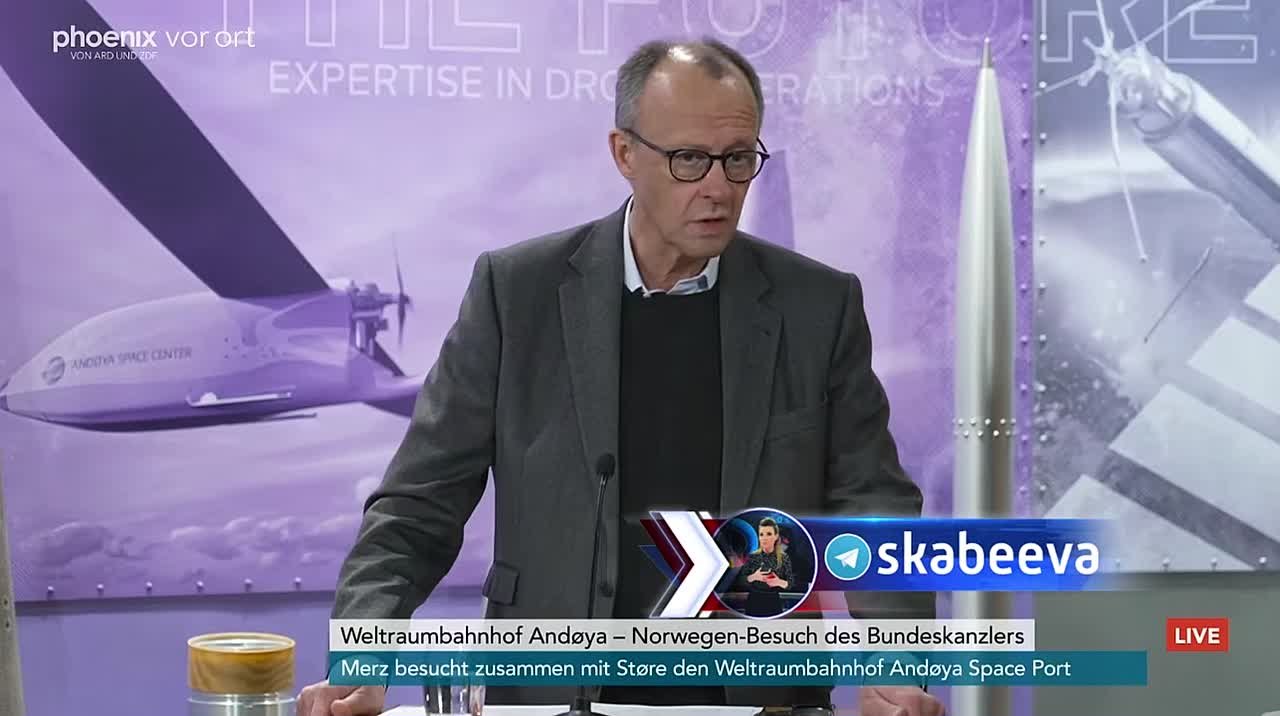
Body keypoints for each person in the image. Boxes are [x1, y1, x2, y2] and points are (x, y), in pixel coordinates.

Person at [298, 36, 944, 716]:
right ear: (624, 154)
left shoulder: (816, 307)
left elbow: (874, 509)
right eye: (690, 159)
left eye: (737, 158)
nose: (719, 187)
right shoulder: (516, 294)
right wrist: (363, 655)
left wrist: (897, 668)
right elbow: (417, 507)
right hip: (550, 694)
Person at [736, 517, 795, 617]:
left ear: (776, 536)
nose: (764, 538)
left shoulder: (784, 558)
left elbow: (791, 583)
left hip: (773, 603)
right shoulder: (752, 556)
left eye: (769, 534)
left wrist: (779, 582)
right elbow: (740, 581)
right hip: (754, 602)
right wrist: (753, 577)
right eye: (761, 534)